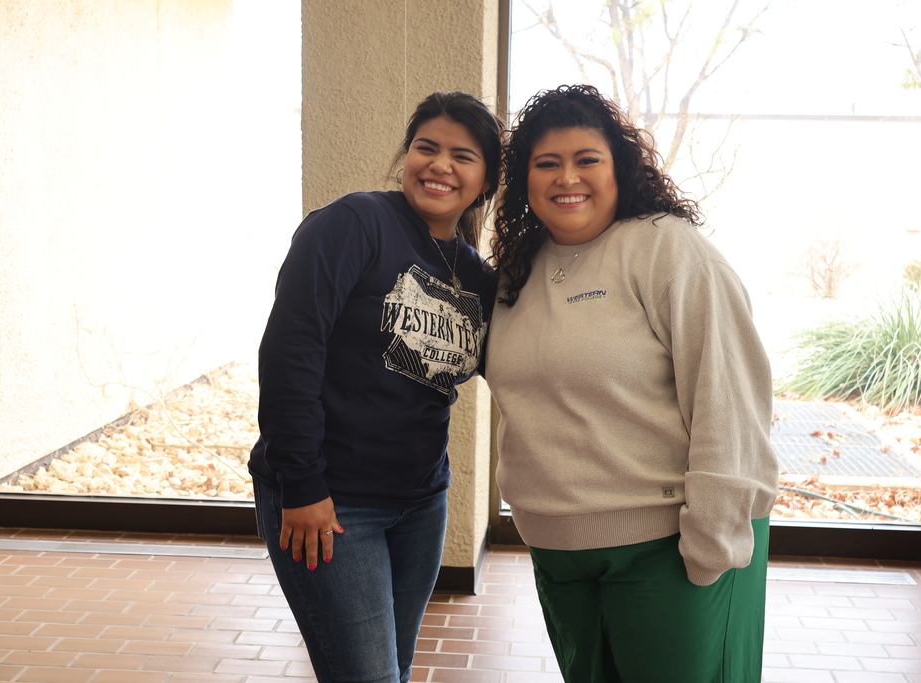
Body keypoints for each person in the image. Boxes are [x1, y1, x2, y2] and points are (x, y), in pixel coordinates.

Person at [485, 84, 778, 682]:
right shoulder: (519, 268)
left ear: (620, 167)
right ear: (525, 181)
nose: (568, 178)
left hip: (668, 551)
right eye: (547, 163)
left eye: (586, 159)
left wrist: (711, 544)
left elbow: (729, 396)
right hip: (558, 552)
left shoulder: (667, 248)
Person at [249, 91, 503, 683]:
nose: (440, 165)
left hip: (421, 503)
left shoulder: (475, 276)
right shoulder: (355, 224)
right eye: (426, 147)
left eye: (462, 156)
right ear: (406, 155)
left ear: (485, 181)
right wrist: (302, 484)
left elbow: (524, 370)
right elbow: (290, 353)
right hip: (332, 502)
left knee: (393, 667)